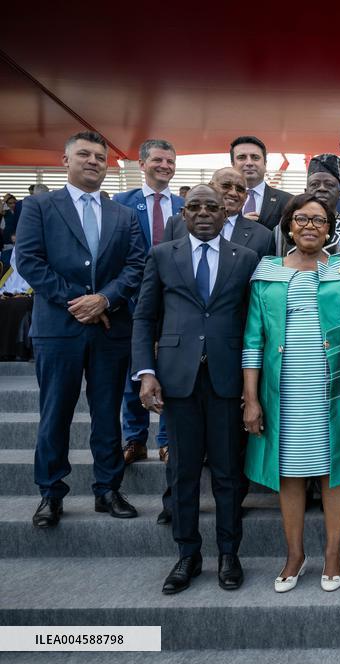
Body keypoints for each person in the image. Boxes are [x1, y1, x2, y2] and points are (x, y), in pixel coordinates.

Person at [242, 192, 340, 593]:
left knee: (332, 471)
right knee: (288, 472)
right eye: (302, 219)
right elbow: (253, 340)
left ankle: (334, 553)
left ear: (329, 229)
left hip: (333, 386)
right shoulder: (266, 271)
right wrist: (251, 399)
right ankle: (295, 555)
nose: (310, 226)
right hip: (283, 388)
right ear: (288, 225)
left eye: (319, 220)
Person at [131, 184, 259, 594]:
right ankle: (187, 554)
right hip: (176, 379)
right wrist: (146, 372)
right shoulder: (162, 255)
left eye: (212, 207)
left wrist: (252, 383)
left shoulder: (247, 258)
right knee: (182, 471)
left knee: (226, 473)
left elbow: (253, 321)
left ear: (226, 214)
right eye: (195, 207)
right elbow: (144, 317)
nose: (204, 213)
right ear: (183, 214)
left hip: (226, 378)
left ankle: (228, 554)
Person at [17, 131, 146, 529]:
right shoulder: (39, 206)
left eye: (100, 157)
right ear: (65, 160)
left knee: (108, 413)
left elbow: (136, 265)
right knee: (55, 412)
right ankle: (51, 492)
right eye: (84, 155)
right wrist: (79, 301)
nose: (93, 161)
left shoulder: (123, 215)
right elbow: (29, 261)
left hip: (110, 328)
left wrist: (105, 299)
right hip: (59, 328)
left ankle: (108, 489)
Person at [112, 139, 186, 467]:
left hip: (174, 302)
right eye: (158, 160)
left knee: (171, 370)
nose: (165, 166)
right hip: (130, 300)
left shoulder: (187, 205)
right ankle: (135, 438)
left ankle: (167, 440)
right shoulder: (119, 202)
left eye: (170, 161)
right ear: (141, 164)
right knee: (135, 370)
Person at [275, 154, 340, 283]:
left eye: (329, 185)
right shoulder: (285, 226)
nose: (322, 188)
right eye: (314, 184)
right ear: (306, 191)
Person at [166, 167, 274, 259]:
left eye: (240, 189)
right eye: (226, 186)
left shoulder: (264, 236)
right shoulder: (175, 224)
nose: (233, 193)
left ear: (246, 197)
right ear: (211, 186)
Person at [229, 136, 292, 230]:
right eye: (242, 157)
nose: (249, 163)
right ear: (233, 164)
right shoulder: (220, 201)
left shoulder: (288, 201)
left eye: (255, 157)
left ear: (265, 163)